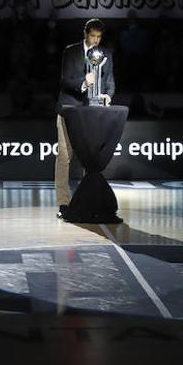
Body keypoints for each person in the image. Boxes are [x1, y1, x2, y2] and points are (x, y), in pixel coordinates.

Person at [55, 18, 115, 219]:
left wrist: (108, 94)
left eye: (99, 37)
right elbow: (64, 80)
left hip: (92, 113)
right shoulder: (70, 51)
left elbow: (110, 81)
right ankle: (64, 202)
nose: (96, 40)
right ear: (85, 34)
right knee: (64, 157)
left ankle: (85, 201)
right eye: (92, 36)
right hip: (69, 109)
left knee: (88, 158)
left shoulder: (106, 54)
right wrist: (83, 82)